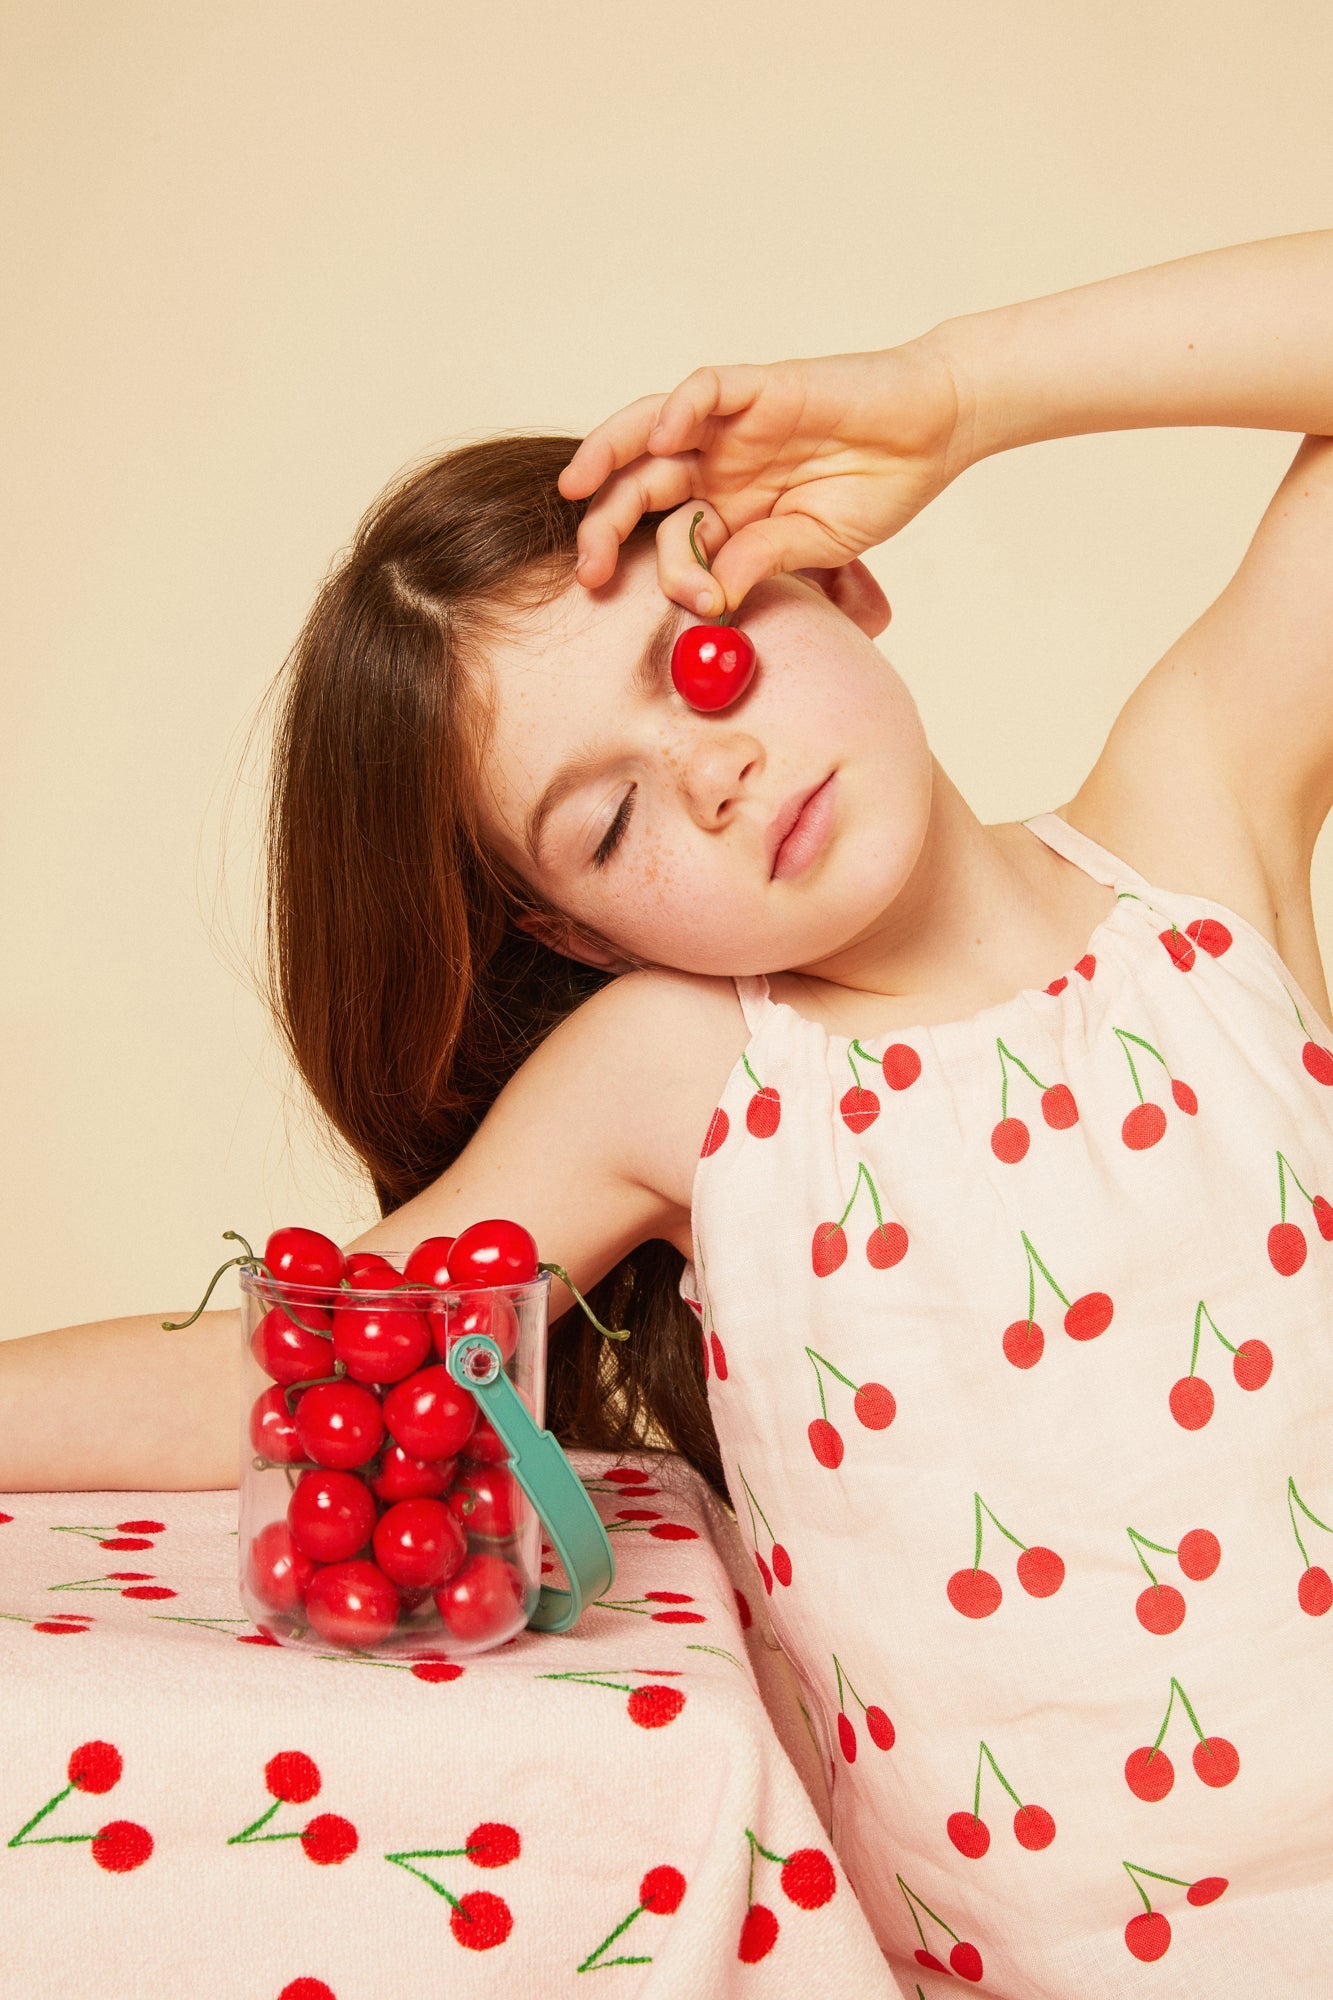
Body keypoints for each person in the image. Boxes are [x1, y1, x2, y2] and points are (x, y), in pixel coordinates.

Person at [6, 229, 1333, 1992]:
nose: (705, 774)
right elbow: (279, 1363)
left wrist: (955, 392)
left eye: (700, 662)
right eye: (609, 824)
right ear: (573, 928)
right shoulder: (685, 1072)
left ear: (838, 579)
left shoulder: (1194, 839)